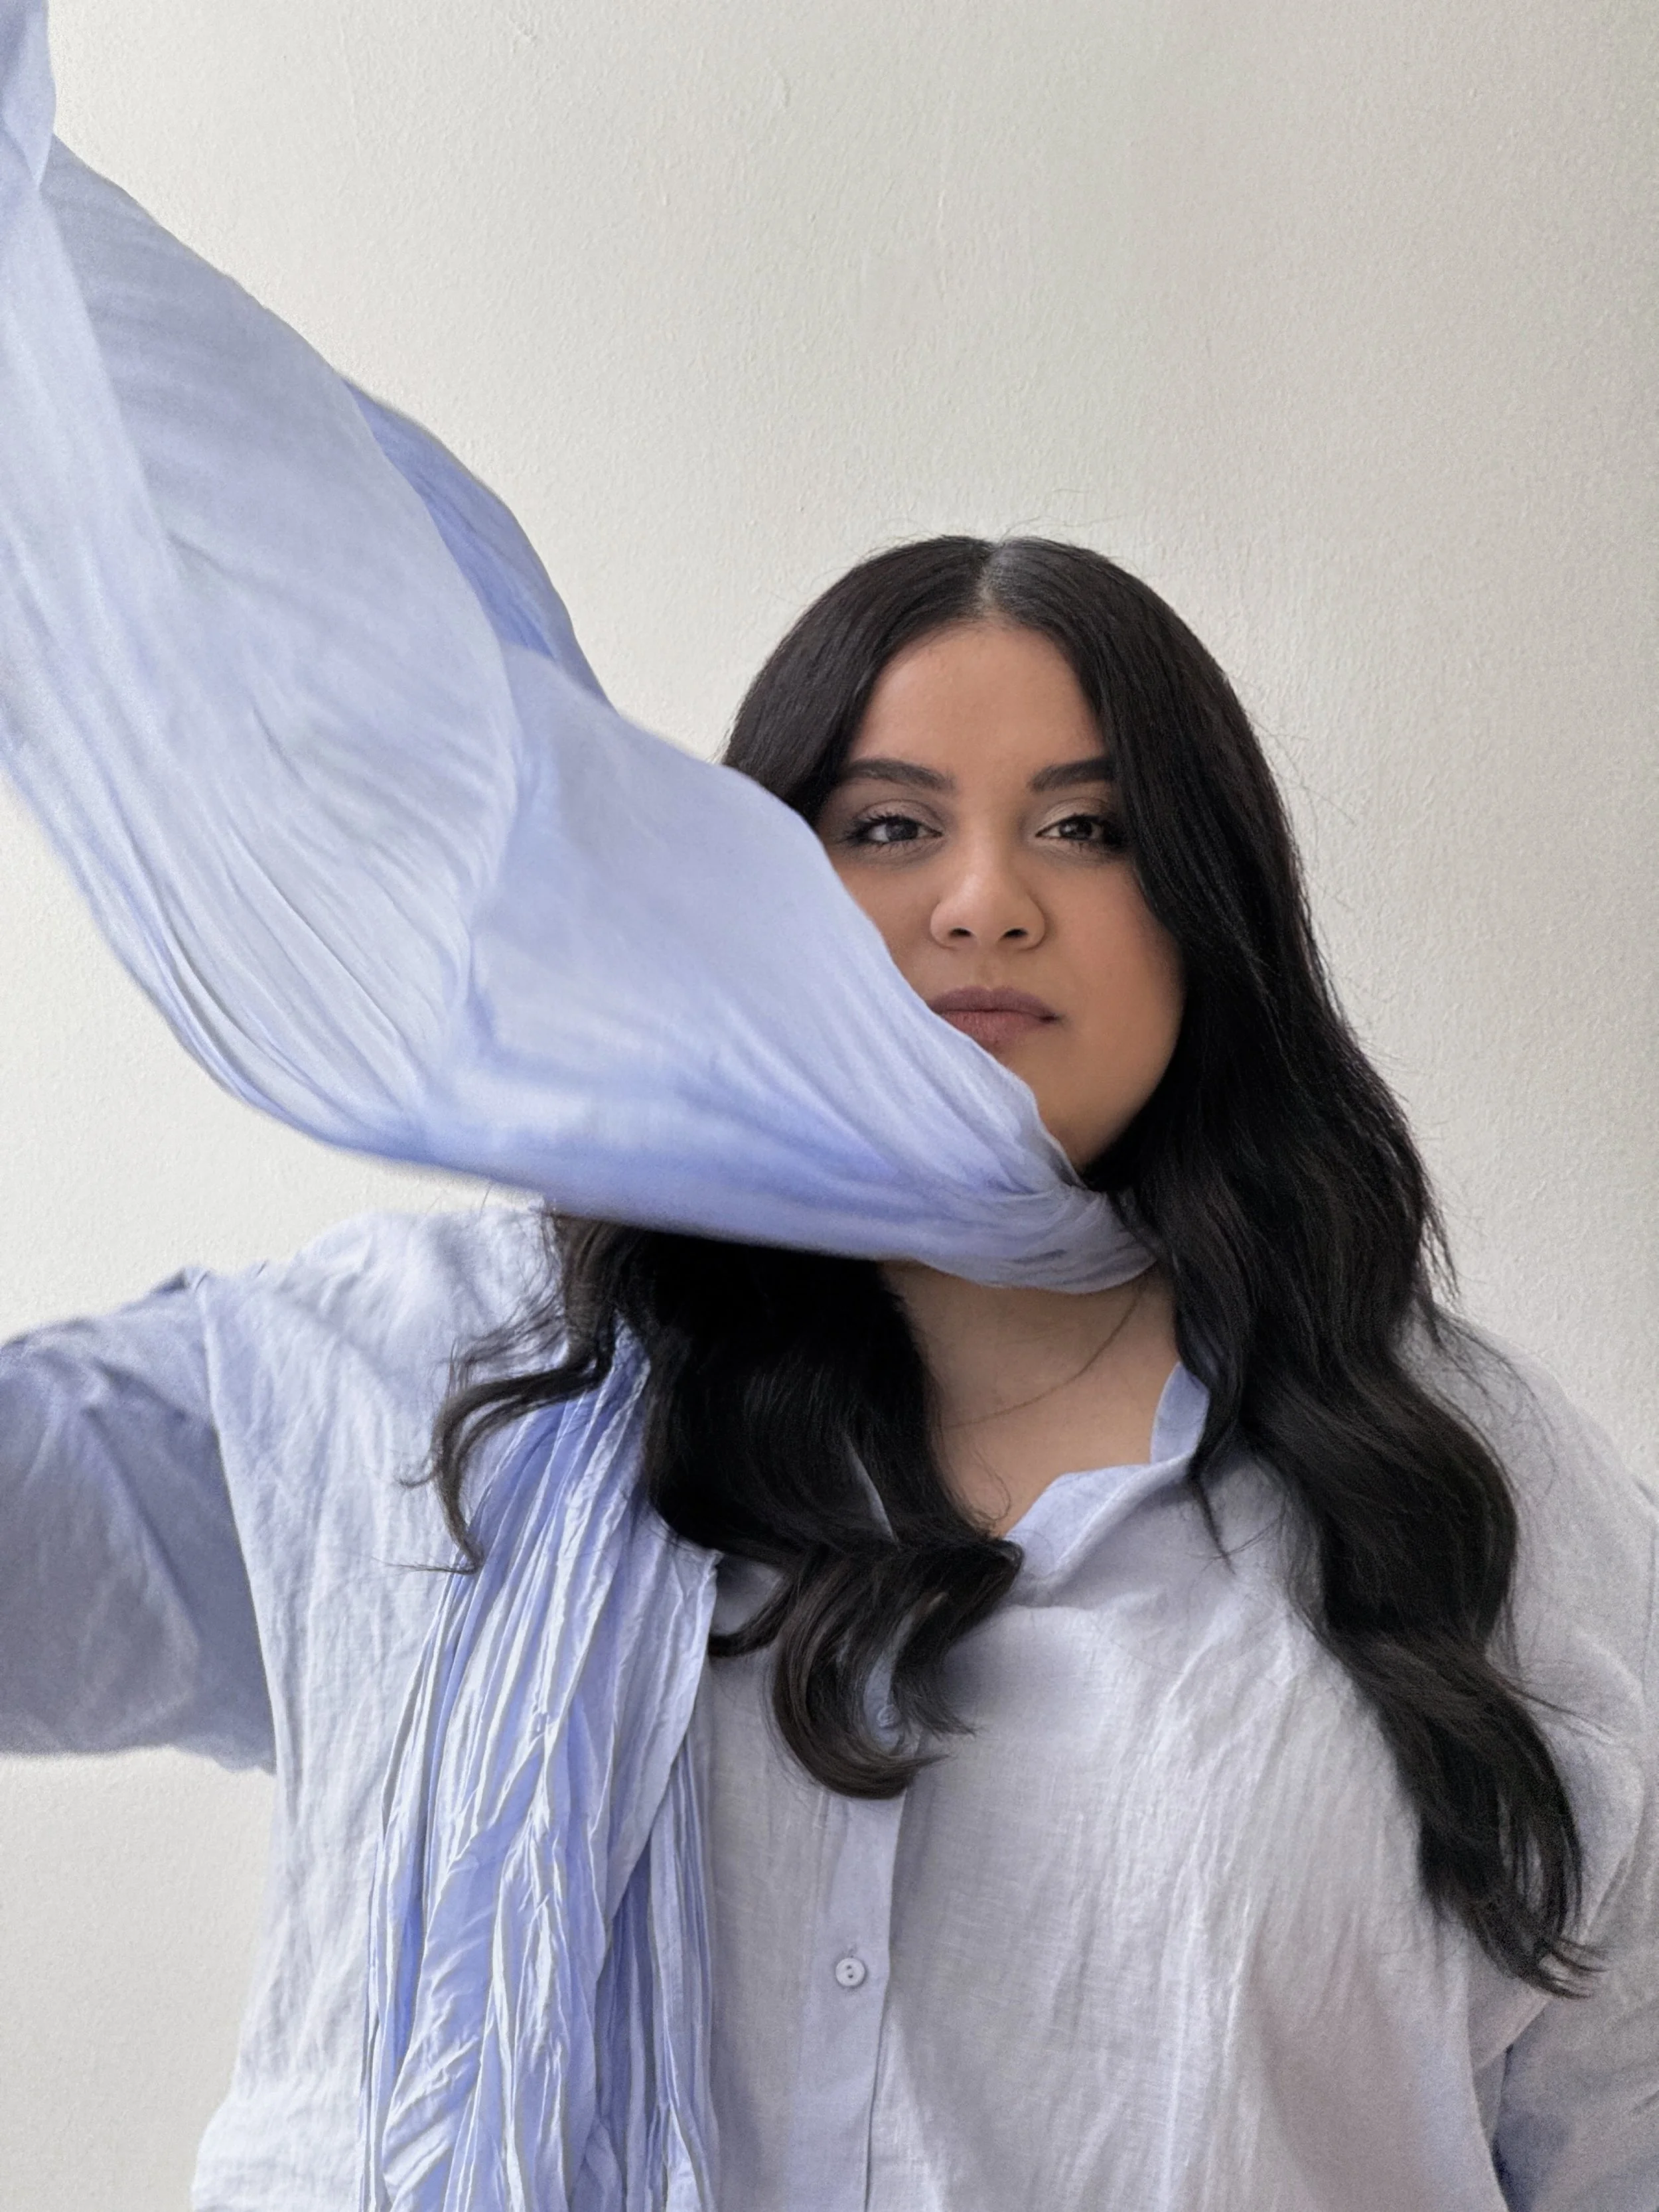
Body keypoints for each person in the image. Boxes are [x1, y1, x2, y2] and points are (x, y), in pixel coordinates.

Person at [0, 11, 1654, 2211]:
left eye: (1088, 829)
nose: (983, 900)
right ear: (756, 880)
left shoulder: (1475, 1493)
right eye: (884, 829)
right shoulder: (438, 1382)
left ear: (1209, 919)